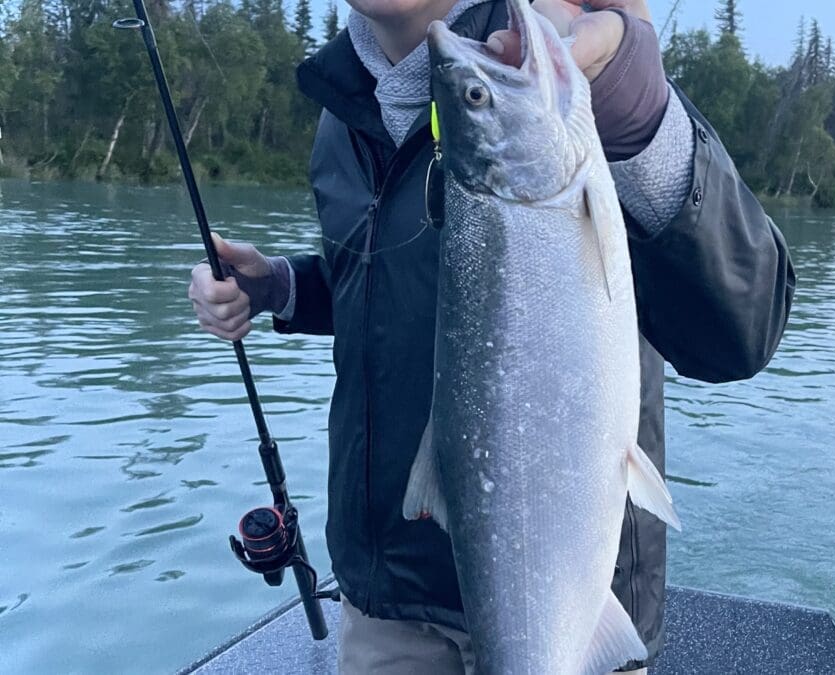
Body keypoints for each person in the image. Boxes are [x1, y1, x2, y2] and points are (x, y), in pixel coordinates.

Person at [188, 0, 797, 672]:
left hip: (568, 597)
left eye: (475, 96)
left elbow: (742, 328)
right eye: (474, 95)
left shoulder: (573, 59)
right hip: (384, 606)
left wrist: (635, 101)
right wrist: (283, 287)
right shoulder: (343, 111)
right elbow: (399, 288)